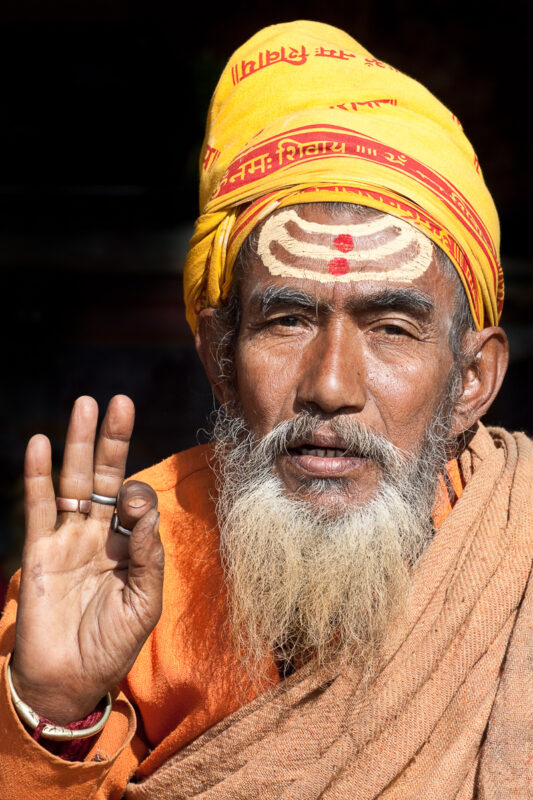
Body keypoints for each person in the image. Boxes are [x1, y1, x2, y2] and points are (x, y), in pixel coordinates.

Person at [1, 20, 531, 800]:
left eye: (390, 329)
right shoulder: (113, 570)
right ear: (220, 355)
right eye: (287, 320)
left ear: (471, 381)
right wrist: (51, 708)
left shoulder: (517, 551)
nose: (328, 385)